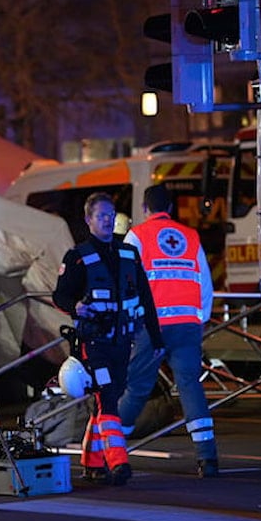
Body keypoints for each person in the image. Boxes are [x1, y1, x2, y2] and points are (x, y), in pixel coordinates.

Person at [52, 191, 163, 486]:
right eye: (101, 216)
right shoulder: (77, 257)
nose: (107, 220)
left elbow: (146, 298)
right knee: (108, 399)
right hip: (94, 343)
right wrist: (75, 306)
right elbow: (59, 295)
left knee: (105, 400)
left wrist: (156, 337)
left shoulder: (128, 253)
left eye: (111, 216)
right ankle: (119, 463)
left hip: (122, 342)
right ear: (88, 220)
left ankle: (92, 462)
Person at [119, 184, 220, 477]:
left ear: (144, 208)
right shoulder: (190, 236)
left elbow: (128, 281)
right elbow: (205, 284)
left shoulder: (137, 235)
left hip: (151, 327)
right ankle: (207, 457)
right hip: (187, 324)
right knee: (190, 386)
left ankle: (109, 449)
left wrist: (129, 320)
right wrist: (200, 319)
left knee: (137, 388)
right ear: (172, 208)